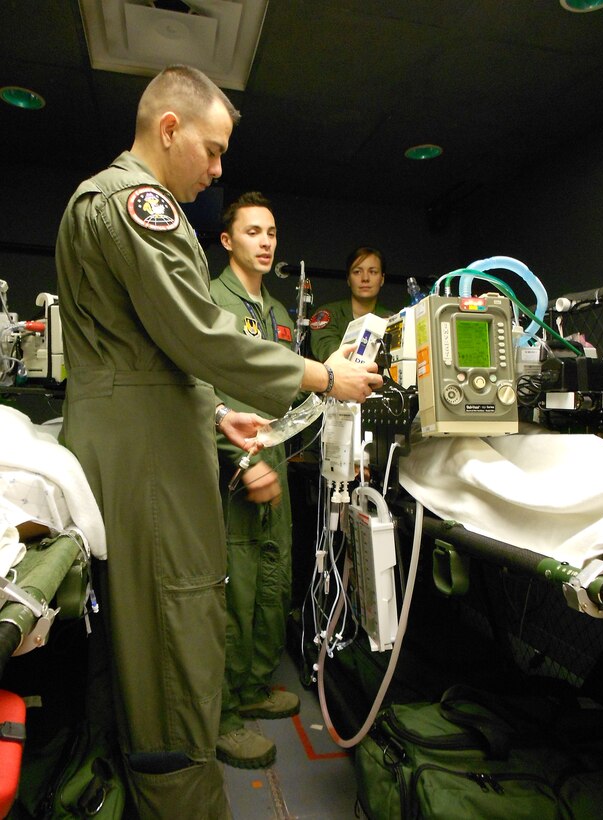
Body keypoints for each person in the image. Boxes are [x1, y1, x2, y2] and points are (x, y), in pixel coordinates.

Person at [55, 64, 382, 819]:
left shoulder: (101, 202)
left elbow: (137, 348)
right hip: (146, 458)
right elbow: (200, 334)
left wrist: (209, 416)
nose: (217, 168)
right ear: (168, 129)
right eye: (210, 148)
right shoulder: (139, 203)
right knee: (176, 631)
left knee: (144, 638)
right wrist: (323, 378)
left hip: (138, 432)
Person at [209, 191, 298, 770]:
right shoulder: (210, 303)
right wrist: (240, 458)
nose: (265, 242)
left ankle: (252, 686)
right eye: (252, 232)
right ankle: (220, 711)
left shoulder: (281, 316)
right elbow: (199, 389)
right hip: (232, 466)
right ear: (227, 240)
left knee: (273, 574)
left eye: (270, 232)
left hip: (279, 463)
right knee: (231, 587)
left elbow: (288, 390)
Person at [309, 245, 393, 362]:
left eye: (373, 272)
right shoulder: (328, 314)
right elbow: (328, 351)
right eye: (357, 272)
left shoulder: (392, 319)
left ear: (382, 279)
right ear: (348, 279)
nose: (365, 278)